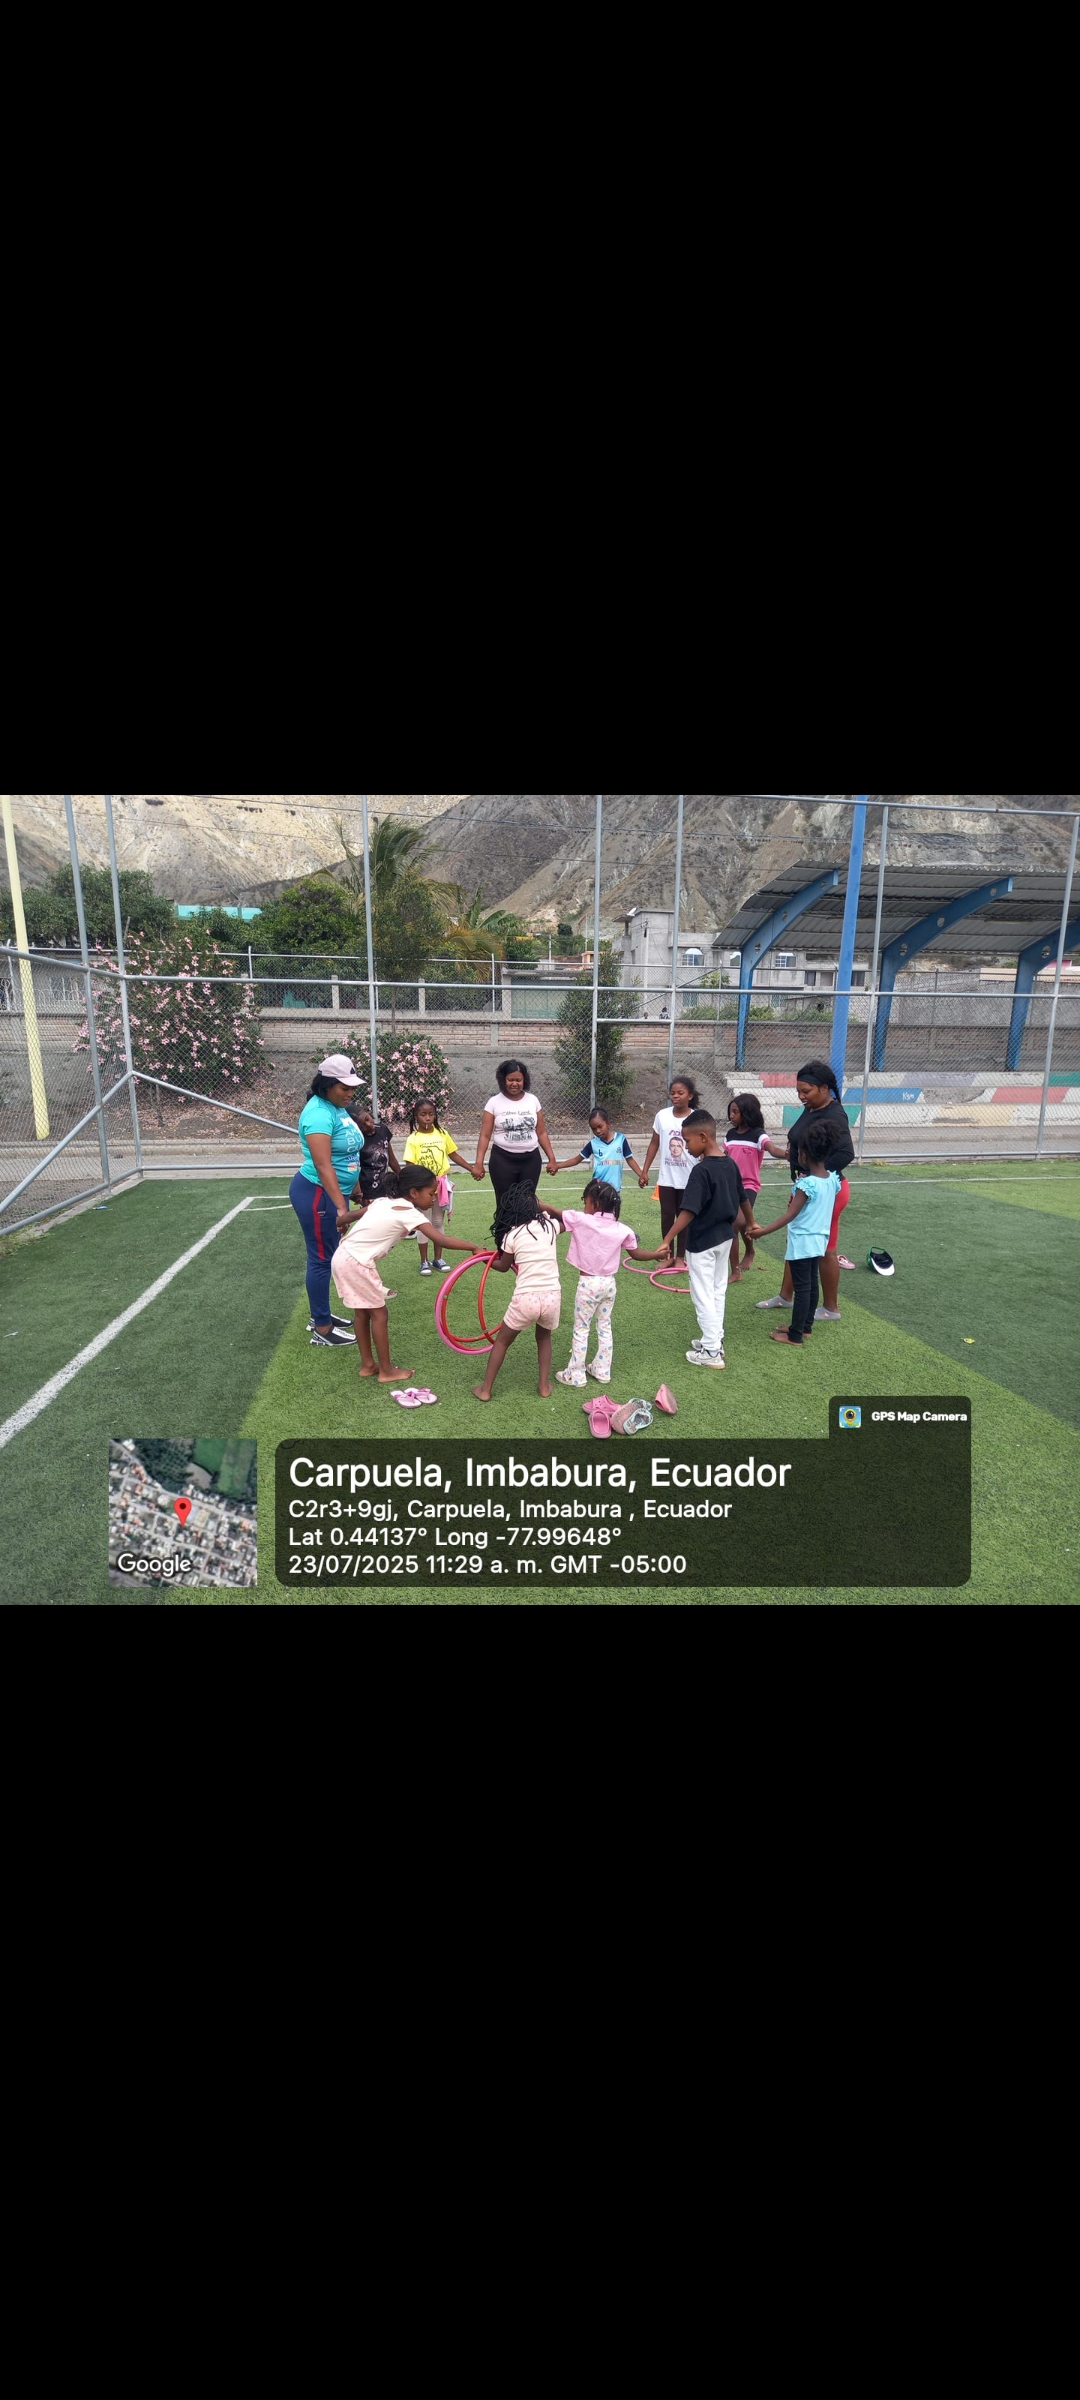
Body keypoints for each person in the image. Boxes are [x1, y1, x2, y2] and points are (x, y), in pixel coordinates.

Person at [333, 1166, 484, 1383]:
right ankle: (386, 1371)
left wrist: (341, 1223)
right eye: (431, 1193)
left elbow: (348, 1216)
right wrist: (473, 1247)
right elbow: (440, 1239)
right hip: (357, 1263)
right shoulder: (410, 1214)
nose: (434, 1198)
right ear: (414, 1192)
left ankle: (368, 1365)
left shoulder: (382, 1202)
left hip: (342, 1256)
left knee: (362, 1313)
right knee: (379, 1314)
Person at [755, 1060, 854, 1322]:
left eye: (806, 1091)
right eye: (799, 1091)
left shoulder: (835, 1114)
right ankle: (786, 1296)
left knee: (825, 1249)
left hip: (826, 1193)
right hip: (806, 1188)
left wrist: (814, 1175)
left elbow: (846, 1153)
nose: (801, 1096)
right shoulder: (812, 1107)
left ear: (824, 1088)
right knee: (797, 1242)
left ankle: (831, 1308)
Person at [656, 1108, 756, 1368]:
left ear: (703, 1137)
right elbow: (743, 1198)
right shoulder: (730, 1164)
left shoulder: (701, 1171)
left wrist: (667, 1239)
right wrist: (751, 1222)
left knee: (702, 1294)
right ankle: (714, 1340)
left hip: (702, 1243)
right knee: (717, 1291)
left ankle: (711, 1352)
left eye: (687, 1141)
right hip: (725, 1239)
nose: (686, 1147)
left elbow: (688, 1211)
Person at [550, 1180, 665, 1387]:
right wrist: (656, 1254)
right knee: (604, 1325)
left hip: (588, 1285)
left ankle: (576, 1374)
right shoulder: (622, 1229)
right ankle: (602, 1370)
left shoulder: (582, 1220)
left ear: (595, 1203)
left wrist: (539, 1204)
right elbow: (636, 1254)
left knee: (581, 1328)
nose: (584, 1206)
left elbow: (557, 1212)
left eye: (585, 1201)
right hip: (609, 1285)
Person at [290, 1055, 365, 1347]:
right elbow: (323, 1165)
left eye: (352, 1087)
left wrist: (355, 1188)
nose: (350, 1093)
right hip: (318, 1193)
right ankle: (321, 1327)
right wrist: (341, 1208)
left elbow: (349, 1152)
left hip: (333, 1193)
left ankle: (321, 1314)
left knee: (327, 1256)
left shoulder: (336, 1108)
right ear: (327, 1085)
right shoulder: (318, 1114)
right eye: (344, 1087)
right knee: (321, 1259)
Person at [749, 1124, 840, 1346]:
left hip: (802, 1242)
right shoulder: (832, 1179)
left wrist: (762, 1232)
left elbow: (790, 1215)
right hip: (819, 1240)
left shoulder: (806, 1184)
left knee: (802, 1288)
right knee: (811, 1284)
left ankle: (795, 1334)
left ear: (804, 1156)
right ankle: (805, 1327)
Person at [471, 1182, 562, 1403]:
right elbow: (568, 1220)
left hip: (526, 1298)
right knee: (544, 1337)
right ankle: (543, 1386)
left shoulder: (511, 1235)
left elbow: (503, 1266)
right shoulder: (551, 1226)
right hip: (551, 1296)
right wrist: (547, 1207)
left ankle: (485, 1390)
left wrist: (481, 1257)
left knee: (502, 1342)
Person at [403, 1098, 482, 1274]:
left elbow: (453, 1154)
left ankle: (438, 1259)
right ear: (416, 1116)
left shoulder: (442, 1133)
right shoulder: (413, 1139)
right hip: (422, 1188)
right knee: (423, 1222)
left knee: (438, 1222)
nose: (427, 1118)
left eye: (431, 1114)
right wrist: (412, 1188)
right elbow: (410, 1164)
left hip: (440, 1186)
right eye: (423, 1114)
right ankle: (424, 1261)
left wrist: (472, 1169)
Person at [474, 1060, 559, 1204]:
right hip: (502, 1160)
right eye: (510, 1080)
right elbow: (485, 1135)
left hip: (530, 1160)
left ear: (524, 1080)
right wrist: (478, 1162)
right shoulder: (493, 1102)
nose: (514, 1083)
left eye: (518, 1080)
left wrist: (552, 1158)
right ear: (503, 1080)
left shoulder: (533, 1100)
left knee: (527, 1203)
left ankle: (526, 1220)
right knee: (505, 1203)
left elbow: (541, 1132)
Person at [640, 1074, 701, 1259]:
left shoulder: (697, 1118)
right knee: (667, 1216)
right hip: (667, 1178)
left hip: (689, 1177)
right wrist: (644, 1171)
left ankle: (680, 1257)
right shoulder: (662, 1116)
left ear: (690, 1095)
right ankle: (668, 1256)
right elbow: (654, 1143)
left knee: (683, 1217)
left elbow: (704, 1146)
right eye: (673, 1093)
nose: (675, 1096)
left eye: (680, 1093)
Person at [723, 1094, 771, 1281]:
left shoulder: (758, 1134)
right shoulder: (730, 1135)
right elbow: (724, 1155)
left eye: (736, 1112)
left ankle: (738, 1269)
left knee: (735, 1223)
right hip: (730, 1184)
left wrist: (785, 1154)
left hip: (749, 1186)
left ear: (747, 1112)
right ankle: (747, 1254)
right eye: (731, 1111)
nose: (731, 1115)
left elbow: (771, 1148)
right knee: (740, 1224)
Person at [551, 1106, 649, 1195]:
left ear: (608, 1124)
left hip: (615, 1190)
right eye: (593, 1129)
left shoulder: (621, 1139)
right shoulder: (593, 1143)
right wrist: (558, 1166)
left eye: (600, 1126)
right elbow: (576, 1160)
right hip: (598, 1189)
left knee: (613, 1210)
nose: (597, 1131)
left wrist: (641, 1175)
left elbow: (630, 1159)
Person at [354, 1106, 400, 1203]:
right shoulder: (358, 1140)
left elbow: (391, 1159)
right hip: (368, 1188)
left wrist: (401, 1176)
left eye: (367, 1119)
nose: (368, 1124)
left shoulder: (383, 1129)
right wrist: (358, 1190)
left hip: (385, 1185)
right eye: (362, 1126)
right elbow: (355, 1167)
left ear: (368, 1113)